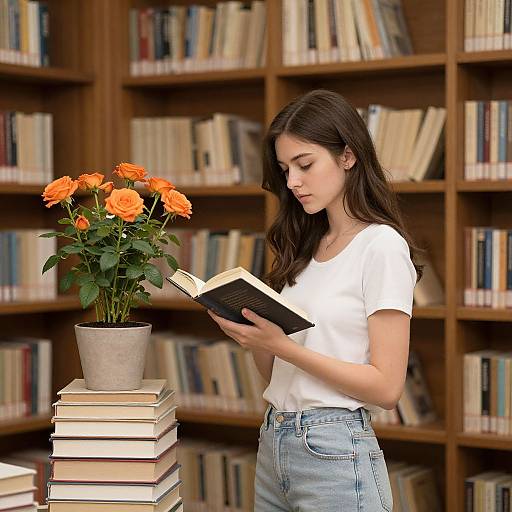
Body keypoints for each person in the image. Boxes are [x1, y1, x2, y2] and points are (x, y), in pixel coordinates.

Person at [207, 89, 421, 511]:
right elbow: (277, 376)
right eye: (285, 169)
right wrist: (254, 337)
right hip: (274, 440)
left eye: (305, 165)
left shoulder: (381, 247)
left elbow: (387, 387)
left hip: (333, 448)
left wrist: (281, 345)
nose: (292, 182)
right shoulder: (305, 247)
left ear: (348, 156)